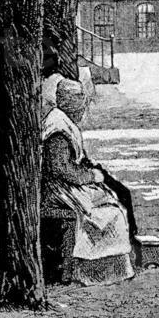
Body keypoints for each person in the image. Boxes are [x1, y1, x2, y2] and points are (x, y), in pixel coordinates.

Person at [42, 79, 138, 286]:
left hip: (65, 185)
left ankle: (110, 266)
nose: (83, 109)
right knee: (110, 210)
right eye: (81, 103)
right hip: (58, 189)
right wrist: (90, 176)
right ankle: (93, 271)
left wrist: (89, 166)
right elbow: (60, 168)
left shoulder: (63, 121)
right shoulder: (58, 128)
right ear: (73, 104)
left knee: (113, 199)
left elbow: (71, 159)